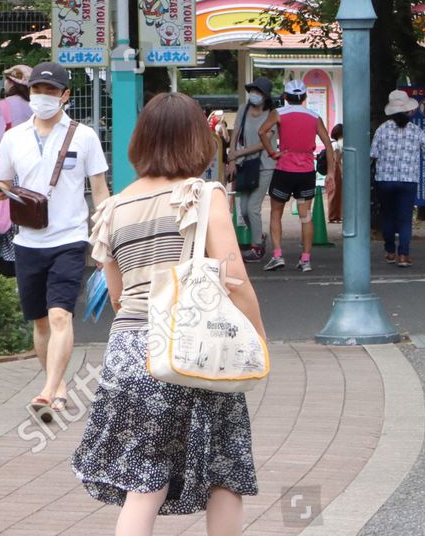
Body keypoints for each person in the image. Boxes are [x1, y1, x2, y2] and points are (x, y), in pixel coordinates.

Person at [72, 93, 263, 533]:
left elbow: (117, 297)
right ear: (197, 140)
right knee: (224, 469)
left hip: (129, 349)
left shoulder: (113, 207)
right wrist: (257, 336)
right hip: (192, 345)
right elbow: (234, 278)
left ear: (141, 141)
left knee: (145, 480)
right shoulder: (203, 194)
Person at [0, 62, 109, 422]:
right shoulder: (15, 137)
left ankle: (47, 390)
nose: (43, 97)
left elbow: (100, 191)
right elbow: (2, 183)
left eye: (51, 91)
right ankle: (56, 386)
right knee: (40, 321)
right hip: (27, 242)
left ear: (65, 96)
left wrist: (105, 236)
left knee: (60, 315)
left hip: (70, 239)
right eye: (38, 90)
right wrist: (0, 192)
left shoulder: (83, 136)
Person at [263, 79, 334, 272]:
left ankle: (277, 255)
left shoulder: (278, 113)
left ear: (285, 96)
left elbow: (262, 132)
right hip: (306, 173)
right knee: (305, 216)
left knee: (276, 213)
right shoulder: (314, 116)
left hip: (284, 170)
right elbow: (328, 144)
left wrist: (272, 151)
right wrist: (331, 173)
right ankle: (306, 259)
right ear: (304, 97)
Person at [370, 90, 425, 267]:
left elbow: (373, 155)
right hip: (408, 180)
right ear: (408, 111)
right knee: (405, 218)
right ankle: (404, 256)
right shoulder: (416, 131)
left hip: (384, 180)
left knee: (388, 215)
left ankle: (390, 251)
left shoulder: (382, 130)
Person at [0, 64, 34, 277]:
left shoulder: (4, 105)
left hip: (8, 167)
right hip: (31, 167)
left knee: (5, 216)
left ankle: (6, 268)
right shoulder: (35, 106)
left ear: (12, 83)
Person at [230, 77, 278, 262]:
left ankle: (257, 246)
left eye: (258, 92)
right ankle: (260, 236)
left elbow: (263, 143)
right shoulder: (244, 109)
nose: (254, 95)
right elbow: (235, 132)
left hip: (265, 165)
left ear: (266, 96)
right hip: (245, 165)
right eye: (253, 90)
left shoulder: (273, 114)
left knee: (253, 207)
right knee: (243, 209)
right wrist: (233, 157)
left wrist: (239, 153)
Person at [325, 122, 344, 222]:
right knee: (335, 193)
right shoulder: (336, 144)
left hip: (331, 169)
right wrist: (342, 172)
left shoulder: (332, 143)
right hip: (335, 170)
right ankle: (333, 216)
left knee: (334, 193)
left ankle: (335, 216)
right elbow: (337, 160)